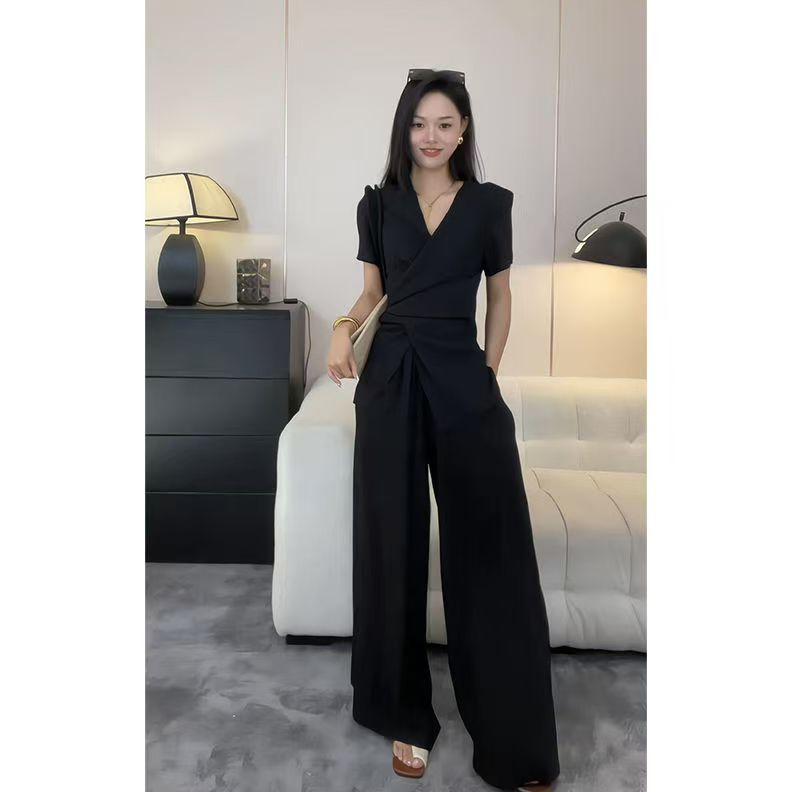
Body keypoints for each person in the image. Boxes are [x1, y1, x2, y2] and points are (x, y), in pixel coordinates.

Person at [326, 68, 560, 791]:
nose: (431, 137)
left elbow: (501, 296)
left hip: (462, 380)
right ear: (405, 130)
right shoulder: (378, 203)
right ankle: (404, 716)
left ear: (463, 132)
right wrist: (340, 330)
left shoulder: (490, 205)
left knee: (491, 547)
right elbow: (371, 292)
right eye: (419, 123)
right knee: (390, 543)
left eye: (445, 124)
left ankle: (512, 733)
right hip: (391, 380)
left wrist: (486, 373)